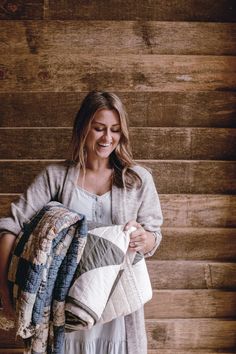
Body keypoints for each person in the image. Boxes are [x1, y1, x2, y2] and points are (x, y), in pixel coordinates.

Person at [0, 90, 163, 354]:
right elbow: (10, 227)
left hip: (117, 313)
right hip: (63, 311)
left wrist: (146, 239)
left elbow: (154, 235)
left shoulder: (138, 180)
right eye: (99, 128)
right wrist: (6, 295)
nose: (107, 138)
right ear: (83, 128)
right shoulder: (56, 177)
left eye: (115, 130)